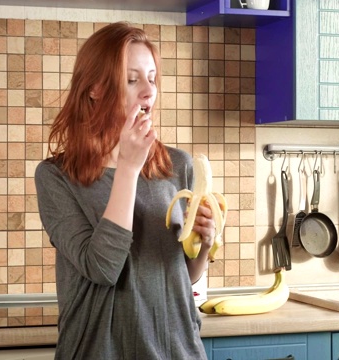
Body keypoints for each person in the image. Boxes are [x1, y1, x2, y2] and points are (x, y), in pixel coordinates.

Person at [35, 22, 214, 359]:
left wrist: (203, 245)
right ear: (95, 89)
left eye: (152, 78)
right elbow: (103, 268)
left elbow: (180, 274)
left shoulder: (178, 165)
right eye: (132, 80)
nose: (148, 91)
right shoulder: (55, 178)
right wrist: (128, 168)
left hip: (177, 351)